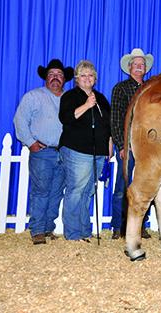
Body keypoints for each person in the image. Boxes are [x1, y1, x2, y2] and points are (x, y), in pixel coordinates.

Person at [14, 59, 73, 245]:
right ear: (46, 78)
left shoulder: (69, 99)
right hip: (43, 151)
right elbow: (20, 120)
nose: (55, 78)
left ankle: (48, 227)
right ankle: (37, 230)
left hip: (63, 152)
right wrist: (30, 142)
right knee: (41, 191)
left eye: (59, 75)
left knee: (57, 192)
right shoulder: (34, 96)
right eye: (51, 74)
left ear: (64, 79)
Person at [58, 60, 111, 241]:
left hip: (98, 152)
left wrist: (109, 144)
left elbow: (107, 124)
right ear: (76, 79)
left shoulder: (101, 98)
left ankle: (84, 231)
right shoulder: (70, 96)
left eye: (90, 75)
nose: (87, 78)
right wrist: (87, 105)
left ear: (95, 79)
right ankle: (73, 234)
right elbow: (66, 118)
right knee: (76, 190)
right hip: (77, 150)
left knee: (88, 191)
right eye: (83, 75)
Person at [110, 48, 154, 240]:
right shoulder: (120, 89)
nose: (139, 67)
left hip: (147, 148)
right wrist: (121, 145)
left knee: (144, 188)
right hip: (129, 147)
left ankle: (140, 226)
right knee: (122, 187)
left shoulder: (150, 89)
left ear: (145, 68)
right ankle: (118, 227)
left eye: (142, 65)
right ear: (129, 68)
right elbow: (116, 119)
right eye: (135, 65)